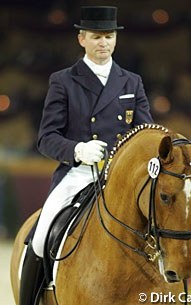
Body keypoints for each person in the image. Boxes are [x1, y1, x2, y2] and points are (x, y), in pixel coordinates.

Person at [19, 6, 153, 305]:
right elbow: (46, 138)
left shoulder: (132, 81)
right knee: (40, 238)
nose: (103, 43)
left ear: (115, 40)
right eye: (96, 37)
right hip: (78, 173)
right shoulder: (63, 81)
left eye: (108, 37)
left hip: (122, 176)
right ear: (82, 39)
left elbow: (145, 133)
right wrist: (77, 150)